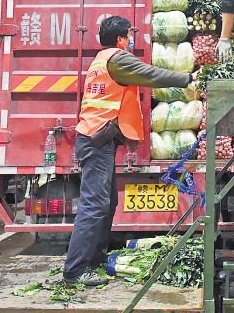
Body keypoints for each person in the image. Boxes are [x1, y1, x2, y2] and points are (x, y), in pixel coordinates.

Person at [63, 16, 195, 286]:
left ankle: (95, 259)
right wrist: (187, 78)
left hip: (96, 139)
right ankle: (75, 271)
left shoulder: (102, 59)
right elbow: (151, 74)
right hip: (96, 140)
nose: (131, 40)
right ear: (121, 39)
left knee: (106, 203)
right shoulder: (117, 59)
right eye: (129, 36)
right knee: (94, 205)